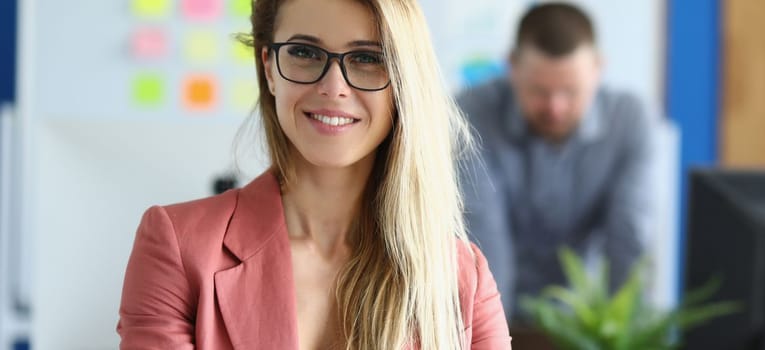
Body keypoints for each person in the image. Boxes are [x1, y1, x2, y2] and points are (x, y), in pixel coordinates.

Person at [116, 0, 510, 349]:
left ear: (405, 81)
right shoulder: (178, 245)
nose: (333, 86)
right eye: (304, 52)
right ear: (269, 68)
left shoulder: (462, 277)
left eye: (368, 58)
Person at [458, 3, 658, 318]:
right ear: (512, 67)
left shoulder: (629, 120)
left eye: (571, 91)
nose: (555, 107)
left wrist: (628, 334)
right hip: (490, 314)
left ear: (598, 69)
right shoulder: (471, 114)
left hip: (586, 323)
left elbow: (629, 238)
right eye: (539, 91)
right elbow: (484, 238)